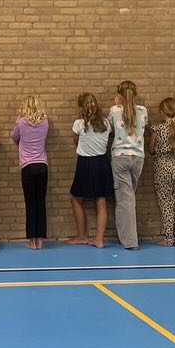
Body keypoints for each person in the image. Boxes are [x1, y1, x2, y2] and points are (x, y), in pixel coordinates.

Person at [68, 93, 114, 248]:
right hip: (102, 162)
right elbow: (109, 138)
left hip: (85, 163)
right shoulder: (106, 123)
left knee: (75, 198)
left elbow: (76, 141)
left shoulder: (79, 124)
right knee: (101, 201)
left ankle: (82, 236)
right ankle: (99, 239)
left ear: (81, 107)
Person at [109, 80, 148, 249]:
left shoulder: (115, 110)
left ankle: (130, 241)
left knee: (125, 200)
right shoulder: (143, 110)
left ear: (119, 94)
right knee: (129, 197)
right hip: (138, 157)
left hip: (120, 157)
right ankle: (127, 237)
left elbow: (111, 129)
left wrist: (118, 104)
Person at [149, 97, 175, 247]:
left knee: (166, 203)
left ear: (162, 112)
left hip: (163, 167)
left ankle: (169, 238)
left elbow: (151, 149)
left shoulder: (158, 129)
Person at [12, 95, 49, 249]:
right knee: (40, 202)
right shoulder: (45, 122)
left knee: (30, 203)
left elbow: (14, 137)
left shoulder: (21, 122)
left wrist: (18, 120)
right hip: (42, 165)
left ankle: (32, 241)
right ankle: (40, 240)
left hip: (28, 166)